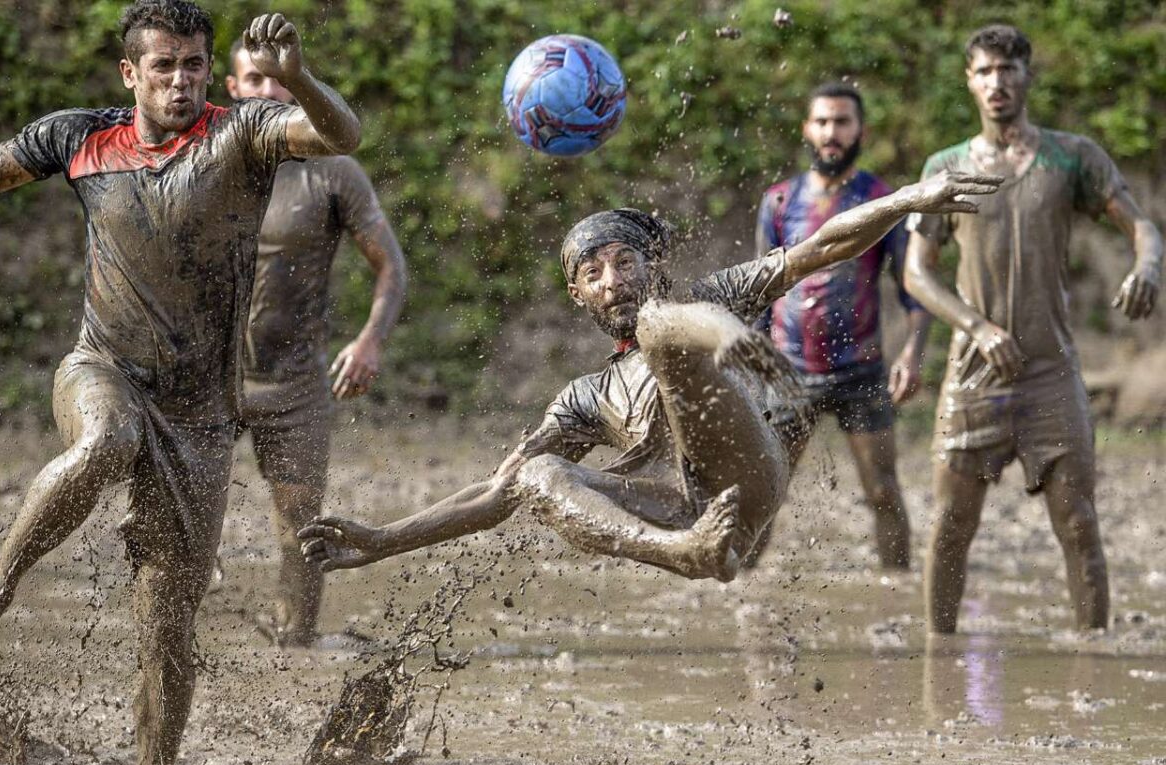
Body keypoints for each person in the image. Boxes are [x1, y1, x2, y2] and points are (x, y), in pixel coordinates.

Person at [0, 0, 361, 765]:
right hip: (101, 369)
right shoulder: (80, 138)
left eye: (193, 65)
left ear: (209, 70)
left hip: (202, 415)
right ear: (131, 73)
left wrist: (297, 75)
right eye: (163, 66)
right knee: (107, 438)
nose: (180, 81)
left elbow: (343, 135)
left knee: (168, 628)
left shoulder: (242, 133)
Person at [299, 171, 1000, 582]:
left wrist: (908, 197)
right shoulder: (584, 397)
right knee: (533, 477)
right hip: (683, 520)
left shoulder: (711, 292)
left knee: (667, 325)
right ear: (577, 295)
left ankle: (726, 345)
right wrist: (382, 541)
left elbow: (824, 245)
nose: (612, 281)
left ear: (652, 263)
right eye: (592, 273)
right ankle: (683, 553)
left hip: (743, 478)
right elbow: (492, 494)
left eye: (624, 262)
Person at [904, 25, 1162, 634]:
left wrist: (1147, 264)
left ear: (1027, 76)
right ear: (969, 81)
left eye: (1009, 69)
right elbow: (917, 274)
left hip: (1051, 373)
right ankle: (938, 661)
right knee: (950, 529)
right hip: (973, 375)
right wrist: (977, 325)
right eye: (985, 71)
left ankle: (1093, 656)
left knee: (1079, 525)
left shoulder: (1072, 157)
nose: (997, 83)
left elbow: (1142, 227)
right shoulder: (946, 167)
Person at [225, 40, 408, 647]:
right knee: (179, 520)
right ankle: (178, 636)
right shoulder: (203, 161)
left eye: (280, 81)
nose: (269, 92)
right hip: (207, 382)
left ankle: (294, 642)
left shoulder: (332, 170)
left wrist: (369, 342)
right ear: (232, 88)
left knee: (300, 526)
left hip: (296, 385)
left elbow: (391, 267)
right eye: (256, 79)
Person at [752, 82, 930, 569]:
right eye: (823, 122)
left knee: (882, 491)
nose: (832, 133)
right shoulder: (780, 202)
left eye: (842, 122)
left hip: (861, 371)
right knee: (762, 496)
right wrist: (753, 363)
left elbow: (912, 289)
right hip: (787, 371)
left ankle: (896, 587)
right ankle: (734, 590)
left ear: (861, 131)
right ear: (807, 129)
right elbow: (760, 292)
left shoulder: (881, 200)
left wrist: (913, 353)